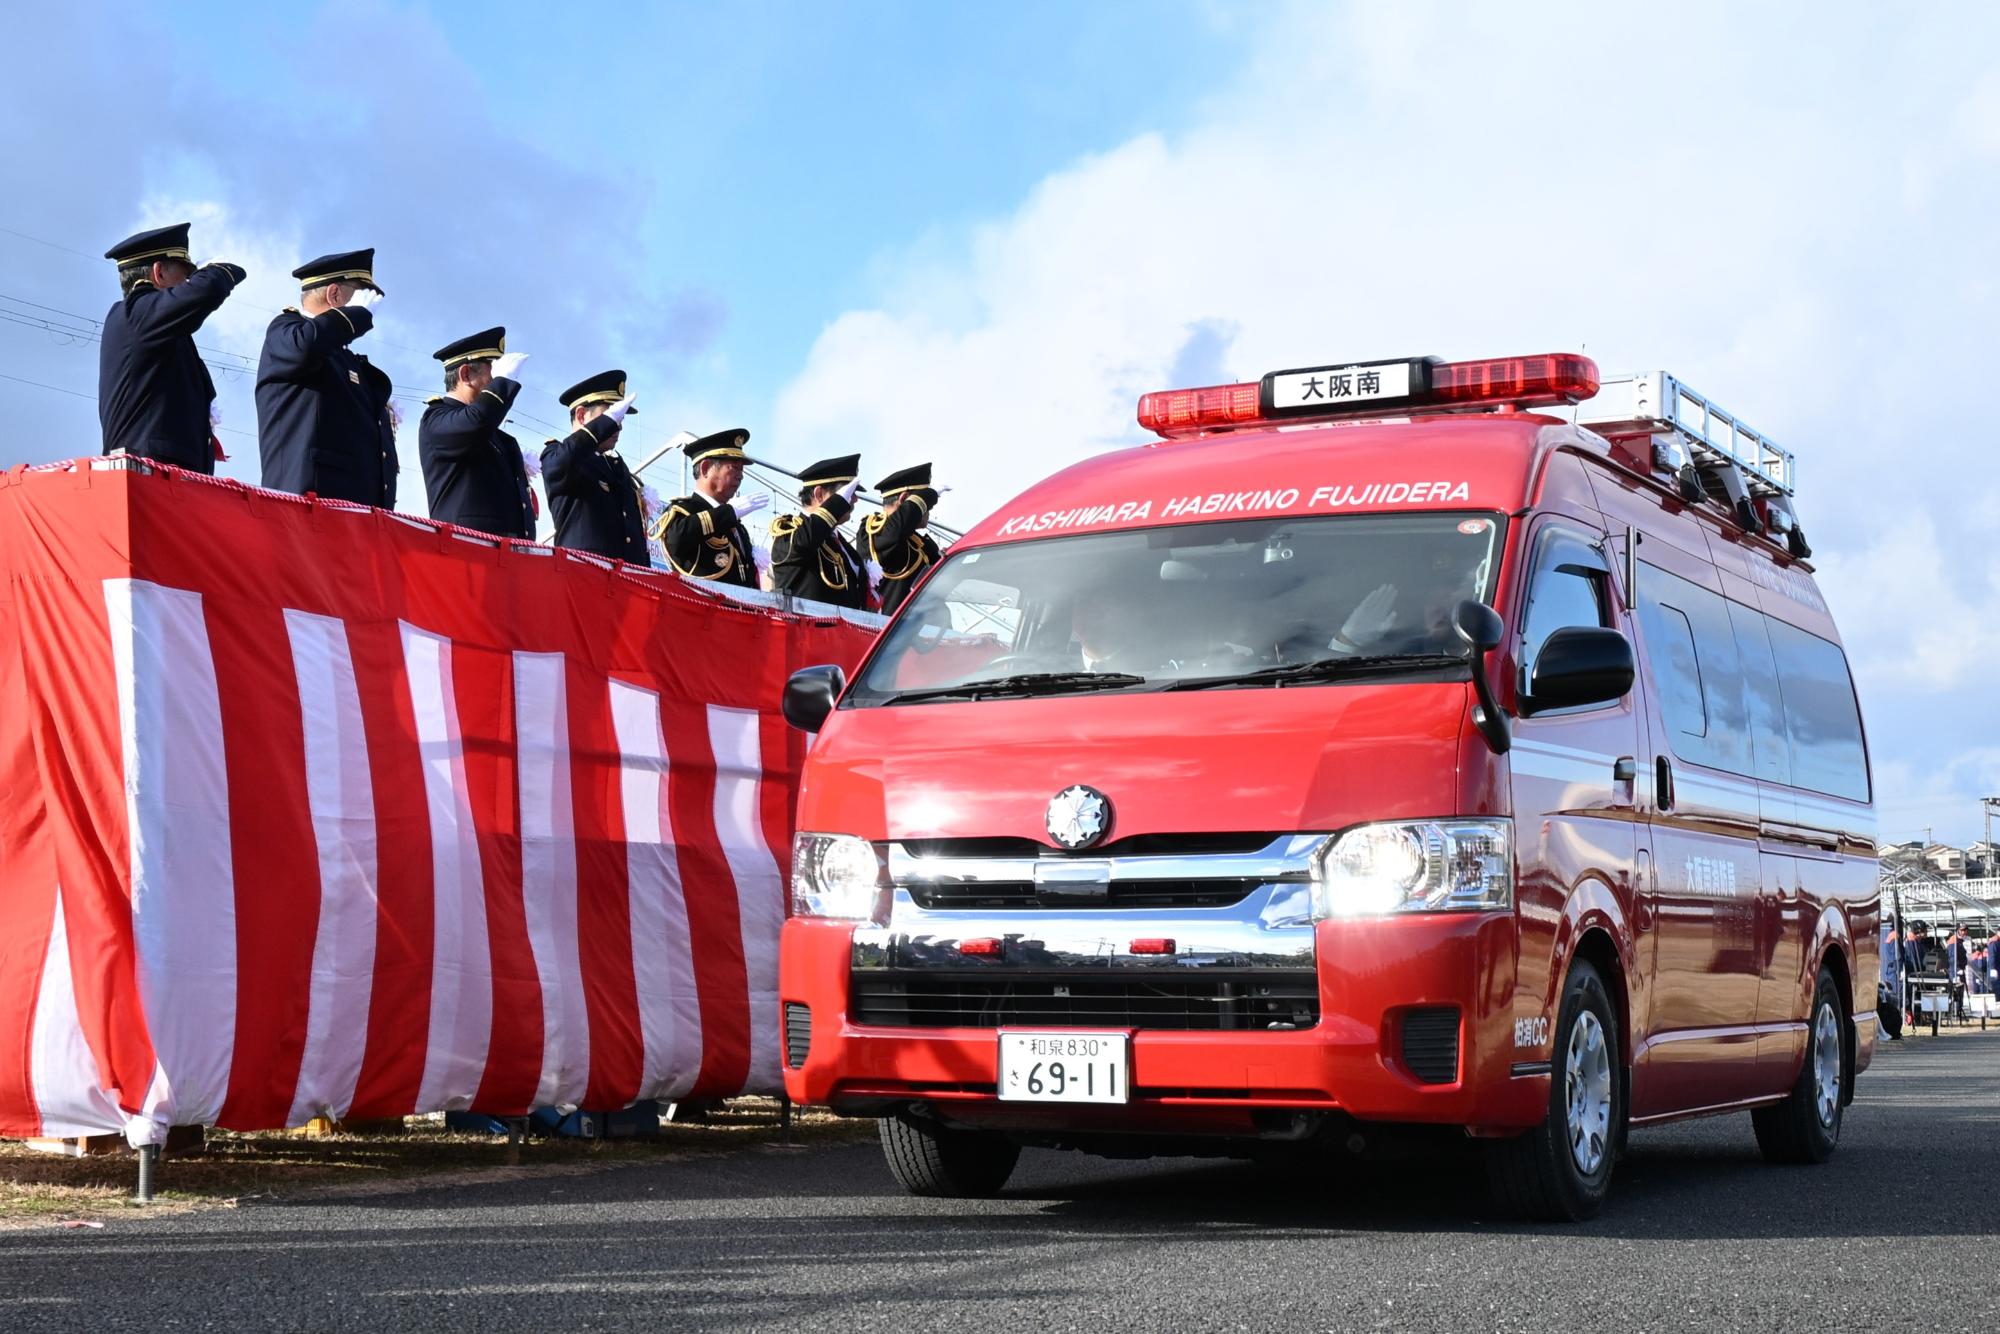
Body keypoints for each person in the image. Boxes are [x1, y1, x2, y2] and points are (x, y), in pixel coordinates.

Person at [98, 222, 246, 472]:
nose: (189, 281)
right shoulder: (137, 312)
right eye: (185, 275)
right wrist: (219, 270)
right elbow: (207, 290)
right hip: (148, 474)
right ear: (159, 273)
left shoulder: (157, 325)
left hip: (166, 474)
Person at [256, 249, 397, 506]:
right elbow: (305, 348)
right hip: (307, 504)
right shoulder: (286, 330)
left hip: (354, 511)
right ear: (334, 294)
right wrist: (355, 316)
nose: (369, 307)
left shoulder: (344, 357)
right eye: (361, 294)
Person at [418, 327, 535, 539]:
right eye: (493, 372)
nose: (497, 380)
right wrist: (502, 383)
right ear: (465, 374)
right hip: (467, 548)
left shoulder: (498, 437)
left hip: (507, 550)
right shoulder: (436, 418)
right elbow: (476, 422)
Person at [541, 371, 643, 563]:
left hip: (625, 576)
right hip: (583, 573)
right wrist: (603, 425)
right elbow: (562, 462)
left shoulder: (616, 466)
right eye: (611, 417)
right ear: (581, 415)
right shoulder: (558, 455)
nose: (618, 426)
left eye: (619, 418)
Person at [657, 428, 768, 587]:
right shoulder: (684, 511)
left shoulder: (736, 525)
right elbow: (675, 540)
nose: (741, 476)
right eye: (734, 467)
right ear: (705, 468)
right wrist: (728, 512)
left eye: (741, 470)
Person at [770, 454, 869, 609]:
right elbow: (803, 544)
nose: (854, 499)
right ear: (819, 494)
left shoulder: (844, 547)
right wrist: (836, 505)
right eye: (848, 492)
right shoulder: (790, 532)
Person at [862, 463, 944, 616]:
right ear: (905, 499)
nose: (929, 511)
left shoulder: (921, 543)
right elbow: (893, 534)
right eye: (925, 505)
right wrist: (928, 495)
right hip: (888, 627)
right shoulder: (873, 531)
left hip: (923, 627)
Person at [1878, 927, 1905, 1040]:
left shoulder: (1890, 936)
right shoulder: (1895, 937)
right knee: (1896, 995)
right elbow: (1897, 956)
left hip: (1891, 970)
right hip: (1895, 970)